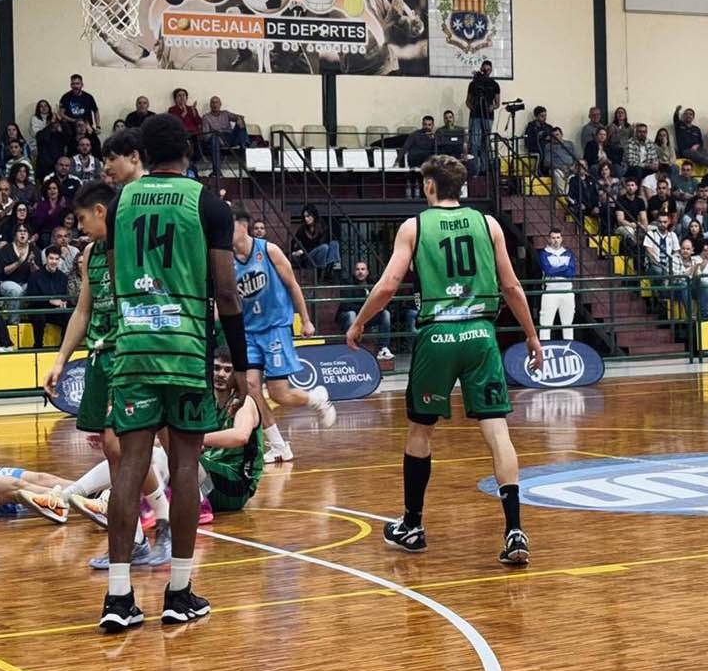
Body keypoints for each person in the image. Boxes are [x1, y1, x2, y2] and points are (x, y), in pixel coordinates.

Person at [345, 154, 541, 566]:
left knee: (420, 431)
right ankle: (514, 529)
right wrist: (531, 335)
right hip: (481, 334)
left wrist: (360, 323)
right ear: (463, 187)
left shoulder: (414, 227)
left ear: (430, 187)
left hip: (437, 335)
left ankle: (412, 525)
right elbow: (511, 285)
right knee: (498, 432)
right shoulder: (488, 224)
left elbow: (386, 287)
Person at [98, 112, 251, 632]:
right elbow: (226, 292)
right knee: (186, 465)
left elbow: (119, 271)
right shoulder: (207, 203)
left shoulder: (120, 203)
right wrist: (243, 363)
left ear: (143, 152)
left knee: (130, 467)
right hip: (185, 351)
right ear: (187, 152)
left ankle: (118, 597)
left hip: (134, 347)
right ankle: (179, 591)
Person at [43, 179, 174, 569]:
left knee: (123, 449)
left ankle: (164, 522)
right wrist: (60, 359)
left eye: (82, 219)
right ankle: (133, 541)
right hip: (100, 356)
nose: (80, 227)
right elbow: (83, 310)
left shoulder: (134, 249)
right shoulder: (88, 255)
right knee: (116, 455)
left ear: (101, 212)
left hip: (129, 355)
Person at [232, 207, 334, 465]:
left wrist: (307, 320)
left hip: (275, 327)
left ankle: (316, 399)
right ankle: (278, 446)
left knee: (279, 394)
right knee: (251, 388)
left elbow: (292, 285)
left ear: (242, 226)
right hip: (249, 331)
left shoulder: (268, 251)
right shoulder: (226, 261)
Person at [200, 349, 265, 514]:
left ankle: (193, 502)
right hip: (210, 479)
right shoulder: (207, 402)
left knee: (182, 457)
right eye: (216, 368)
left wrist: (196, 440)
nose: (220, 374)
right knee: (160, 454)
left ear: (238, 375)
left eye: (228, 370)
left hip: (236, 486)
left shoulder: (245, 402)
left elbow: (240, 436)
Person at [25, 247, 72, 347]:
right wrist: (50, 301)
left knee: (70, 316)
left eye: (56, 259)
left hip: (56, 311)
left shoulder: (63, 277)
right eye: (51, 258)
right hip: (39, 309)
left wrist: (64, 302)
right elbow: (31, 298)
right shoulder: (35, 276)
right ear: (46, 259)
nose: (54, 262)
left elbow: (65, 296)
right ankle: (38, 346)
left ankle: (63, 347)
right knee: (39, 317)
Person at [537, 228, 577, 340]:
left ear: (561, 239)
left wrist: (556, 268)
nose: (556, 240)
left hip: (567, 292)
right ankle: (544, 350)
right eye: (553, 238)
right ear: (549, 239)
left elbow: (572, 272)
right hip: (550, 292)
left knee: (568, 324)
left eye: (558, 237)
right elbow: (548, 270)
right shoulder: (544, 253)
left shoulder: (568, 253)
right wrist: (564, 267)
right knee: (545, 323)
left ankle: (569, 349)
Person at [290, 204, 341, 277]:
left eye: (308, 216)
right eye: (304, 217)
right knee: (324, 247)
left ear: (314, 216)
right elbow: (293, 242)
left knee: (334, 243)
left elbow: (324, 242)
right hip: (309, 257)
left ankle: (330, 269)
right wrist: (297, 252)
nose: (306, 219)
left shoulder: (322, 226)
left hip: (323, 255)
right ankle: (322, 270)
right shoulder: (302, 229)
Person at [200, 95, 246, 178]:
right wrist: (218, 137)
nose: (215, 105)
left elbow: (239, 117)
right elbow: (206, 136)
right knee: (214, 138)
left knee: (241, 122)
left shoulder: (225, 113)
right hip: (216, 138)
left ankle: (245, 147)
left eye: (216, 102)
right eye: (212, 103)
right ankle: (217, 172)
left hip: (230, 137)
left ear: (220, 104)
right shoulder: (206, 117)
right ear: (210, 105)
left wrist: (239, 118)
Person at [466, 59, 499, 171]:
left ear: (491, 71)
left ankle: (485, 169)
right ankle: (475, 169)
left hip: (488, 117)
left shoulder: (494, 84)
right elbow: (468, 101)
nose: (486, 71)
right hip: (475, 116)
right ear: (481, 69)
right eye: (484, 69)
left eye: (489, 69)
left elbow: (497, 103)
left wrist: (492, 107)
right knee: (474, 143)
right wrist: (473, 108)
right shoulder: (473, 84)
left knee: (486, 142)